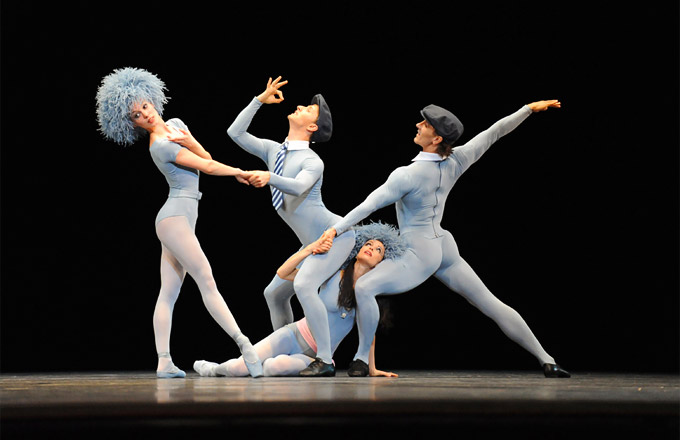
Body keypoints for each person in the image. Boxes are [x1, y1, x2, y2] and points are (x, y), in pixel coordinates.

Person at [320, 100, 571, 378]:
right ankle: (547, 359)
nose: (418, 125)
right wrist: (526, 110)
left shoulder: (407, 175)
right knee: (489, 302)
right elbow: (494, 132)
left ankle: (360, 360)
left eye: (425, 124)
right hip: (443, 244)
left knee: (365, 287)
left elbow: (369, 205)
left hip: (420, 251)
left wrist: (335, 230)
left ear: (436, 138)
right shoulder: (456, 160)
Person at [96, 67, 263, 378]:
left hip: (180, 217)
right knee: (206, 279)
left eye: (144, 107)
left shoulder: (175, 126)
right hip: (174, 219)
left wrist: (189, 138)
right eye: (135, 116)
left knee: (169, 292)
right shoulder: (159, 146)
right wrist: (239, 171)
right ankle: (246, 346)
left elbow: (206, 155)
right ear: (130, 124)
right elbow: (209, 168)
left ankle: (164, 362)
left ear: (152, 100)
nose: (144, 115)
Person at [227, 76, 356, 376]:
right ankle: (289, 343)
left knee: (303, 285)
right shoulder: (275, 151)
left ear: (313, 127)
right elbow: (235, 132)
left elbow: (298, 188)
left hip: (334, 235)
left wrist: (269, 177)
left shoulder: (313, 161)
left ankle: (324, 359)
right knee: (274, 293)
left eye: (309, 109)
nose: (300, 105)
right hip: (309, 242)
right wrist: (259, 100)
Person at [193, 222, 404, 377]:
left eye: (379, 250)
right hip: (294, 334)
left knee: (272, 367)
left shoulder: (367, 296)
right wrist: (309, 250)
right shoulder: (332, 273)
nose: (371, 248)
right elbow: (284, 273)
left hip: (317, 356)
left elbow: (369, 335)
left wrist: (373, 368)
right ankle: (212, 369)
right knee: (241, 367)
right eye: (369, 243)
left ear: (380, 264)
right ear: (358, 249)